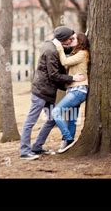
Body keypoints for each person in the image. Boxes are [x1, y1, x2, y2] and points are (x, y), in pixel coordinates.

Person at [19, 26, 85, 160]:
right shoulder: (51, 50)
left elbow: (65, 51)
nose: (71, 40)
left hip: (48, 93)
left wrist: (78, 44)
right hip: (41, 92)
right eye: (70, 38)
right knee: (31, 121)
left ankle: (37, 147)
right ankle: (25, 151)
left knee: (51, 120)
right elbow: (54, 75)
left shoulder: (54, 46)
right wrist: (73, 79)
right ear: (63, 39)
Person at [52, 32, 90, 153]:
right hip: (73, 90)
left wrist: (59, 47)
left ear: (80, 41)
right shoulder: (76, 53)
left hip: (78, 91)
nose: (70, 39)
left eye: (73, 38)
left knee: (55, 111)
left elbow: (65, 62)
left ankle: (67, 138)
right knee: (72, 119)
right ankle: (69, 142)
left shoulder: (83, 54)